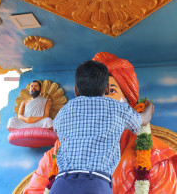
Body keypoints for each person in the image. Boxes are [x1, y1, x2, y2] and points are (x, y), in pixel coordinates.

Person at [23, 52, 177, 194]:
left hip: (63, 182)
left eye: (113, 91)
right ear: (103, 90)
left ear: (129, 101)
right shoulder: (54, 154)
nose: (105, 99)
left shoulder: (157, 157)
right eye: (107, 91)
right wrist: (148, 109)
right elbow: (34, 190)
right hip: (95, 182)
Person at [49, 60, 153, 194]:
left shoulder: (65, 110)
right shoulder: (117, 108)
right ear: (107, 89)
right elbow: (143, 120)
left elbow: (56, 129)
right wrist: (149, 107)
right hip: (95, 184)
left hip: (61, 184)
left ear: (76, 90)